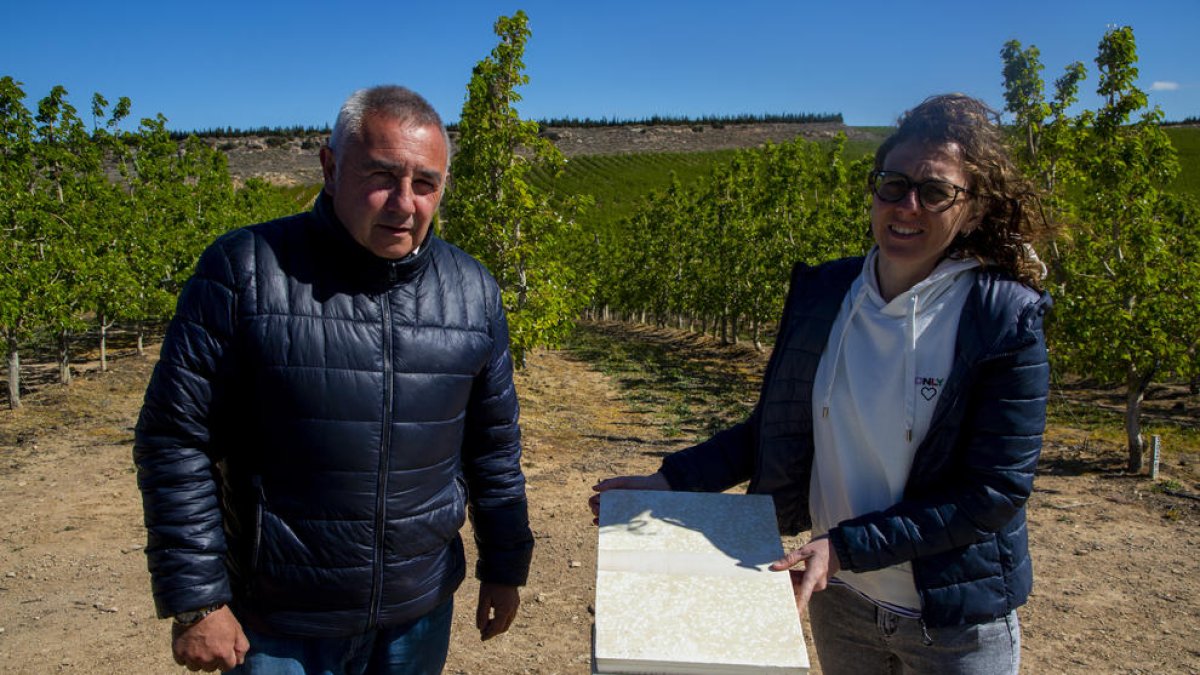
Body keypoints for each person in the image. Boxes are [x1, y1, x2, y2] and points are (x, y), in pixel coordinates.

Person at [591, 93, 1052, 675]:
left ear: (976, 209)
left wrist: (844, 547)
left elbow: (993, 492)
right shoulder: (826, 296)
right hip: (841, 602)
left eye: (935, 192)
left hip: (953, 621)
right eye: (892, 184)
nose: (907, 205)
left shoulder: (1001, 319)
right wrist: (672, 479)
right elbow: (778, 427)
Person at [134, 85, 534, 674]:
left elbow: (492, 448)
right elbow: (175, 438)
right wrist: (197, 602)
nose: (404, 203)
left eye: (425, 184)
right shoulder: (244, 271)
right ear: (329, 167)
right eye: (381, 176)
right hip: (279, 624)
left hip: (416, 616)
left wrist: (504, 567)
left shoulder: (472, 292)